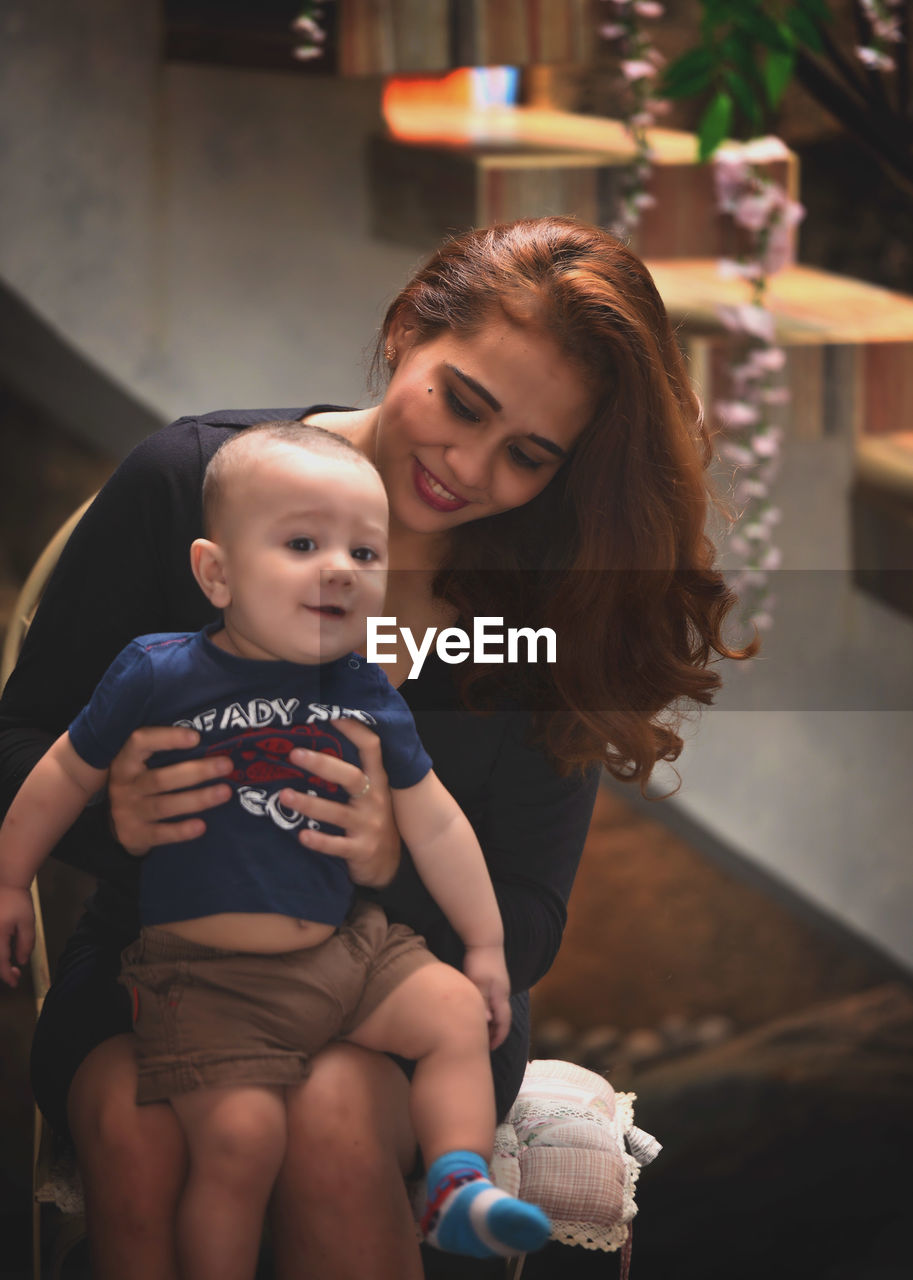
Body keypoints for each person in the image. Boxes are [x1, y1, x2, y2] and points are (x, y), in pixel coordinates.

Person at [0, 216, 753, 1280]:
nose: (466, 465)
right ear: (408, 329)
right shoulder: (189, 483)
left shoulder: (548, 603)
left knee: (334, 1114)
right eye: (462, 401)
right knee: (135, 1121)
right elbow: (19, 740)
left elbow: (525, 922)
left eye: (528, 455)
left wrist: (382, 859)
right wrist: (123, 811)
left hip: (413, 999)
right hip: (158, 966)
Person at [0, 421, 553, 1278]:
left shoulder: (366, 688)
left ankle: (457, 1184)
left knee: (450, 1010)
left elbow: (439, 822)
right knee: (240, 1141)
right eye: (302, 544)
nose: (338, 568)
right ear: (214, 573)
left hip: (348, 954)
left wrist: (480, 944)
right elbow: (61, 773)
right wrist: (9, 877)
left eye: (364, 555)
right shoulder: (159, 671)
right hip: (214, 980)